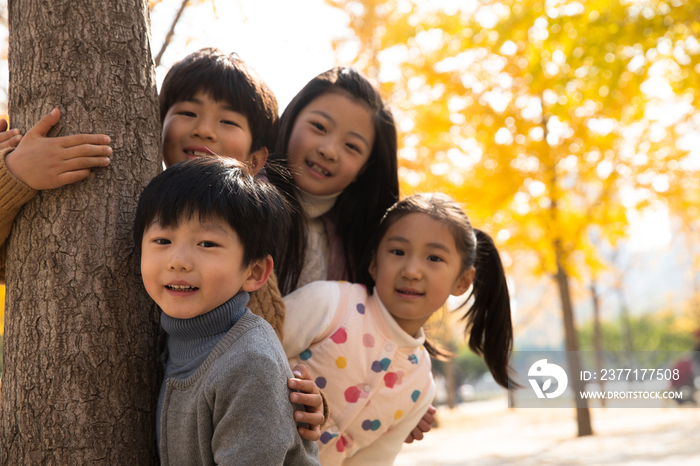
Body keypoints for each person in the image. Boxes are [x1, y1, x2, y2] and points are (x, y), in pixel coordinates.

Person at [0, 48, 324, 439]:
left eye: (227, 120)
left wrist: (308, 404)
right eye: (187, 113)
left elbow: (264, 365)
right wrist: (14, 175)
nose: (204, 129)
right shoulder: (132, 196)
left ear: (255, 159)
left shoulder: (246, 251)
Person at [282, 193, 514, 465]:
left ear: (462, 281)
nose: (412, 270)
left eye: (434, 258)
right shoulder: (330, 305)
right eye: (398, 252)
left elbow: (371, 461)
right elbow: (247, 352)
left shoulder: (421, 386)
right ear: (374, 262)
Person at [133, 157, 320, 465]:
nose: (178, 260)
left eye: (207, 243)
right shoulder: (176, 338)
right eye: (162, 240)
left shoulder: (249, 362)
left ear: (254, 271)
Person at [267, 66, 399, 296]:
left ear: (364, 168)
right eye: (319, 127)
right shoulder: (237, 201)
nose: (329, 151)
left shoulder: (362, 248)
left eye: (352, 146)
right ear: (292, 117)